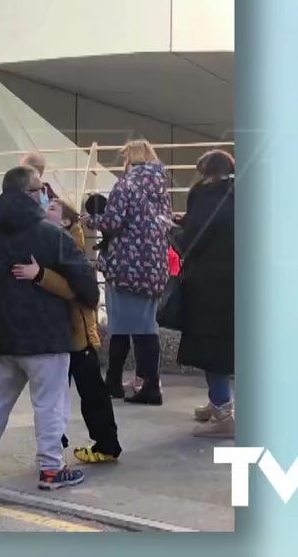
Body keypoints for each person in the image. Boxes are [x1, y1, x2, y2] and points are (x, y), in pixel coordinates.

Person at [0, 166, 100, 489]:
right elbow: (88, 287)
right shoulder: (50, 235)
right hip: (46, 336)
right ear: (29, 193)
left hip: (3, 336)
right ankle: (52, 469)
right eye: (41, 189)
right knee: (50, 405)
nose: (45, 194)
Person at [16, 197, 122, 463]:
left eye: (52, 208)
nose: (45, 209)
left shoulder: (69, 246)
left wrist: (40, 275)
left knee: (90, 392)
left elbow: (75, 289)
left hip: (76, 334)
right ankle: (58, 440)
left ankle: (106, 445)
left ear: (65, 221)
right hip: (62, 333)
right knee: (58, 393)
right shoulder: (54, 242)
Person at [84, 140, 172, 405]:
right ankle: (131, 382)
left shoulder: (126, 185)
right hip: (154, 265)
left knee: (128, 327)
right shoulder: (161, 188)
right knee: (145, 324)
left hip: (126, 265)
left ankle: (146, 387)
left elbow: (113, 222)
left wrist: (90, 220)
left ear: (129, 159)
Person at [175, 150, 235, 437]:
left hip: (209, 284)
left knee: (213, 347)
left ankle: (223, 411)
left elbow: (193, 241)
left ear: (205, 173)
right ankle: (218, 403)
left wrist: (175, 232)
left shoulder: (204, 196)